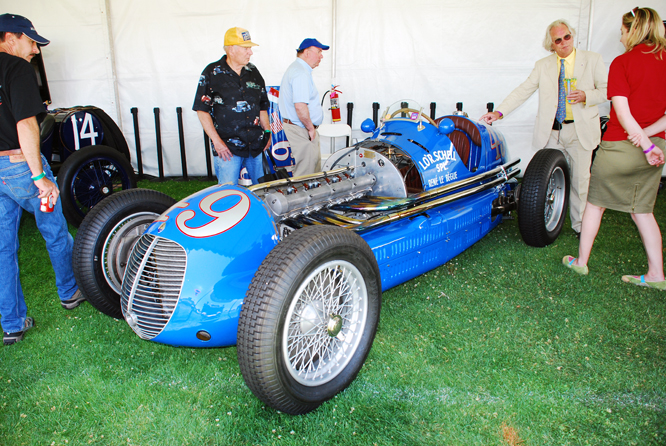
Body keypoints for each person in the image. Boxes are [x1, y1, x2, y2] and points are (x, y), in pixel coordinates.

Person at [563, 7, 666, 290]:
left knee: (595, 204)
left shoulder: (622, 63)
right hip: (656, 145)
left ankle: (581, 261)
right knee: (642, 210)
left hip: (623, 145)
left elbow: (622, 112)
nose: (621, 38)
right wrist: (648, 141)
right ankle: (657, 274)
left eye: (622, 32)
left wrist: (642, 144)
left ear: (634, 30)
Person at [0, 14, 84, 345]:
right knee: (55, 232)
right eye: (30, 41)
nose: (35, 50)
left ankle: (12, 323)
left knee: (3, 249)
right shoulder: (15, 67)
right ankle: (71, 292)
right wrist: (39, 177)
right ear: (9, 38)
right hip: (22, 168)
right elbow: (26, 124)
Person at [480, 20, 608, 236]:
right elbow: (523, 90)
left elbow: (607, 90)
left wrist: (587, 96)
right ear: (551, 45)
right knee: (545, 179)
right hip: (551, 132)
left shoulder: (592, 59)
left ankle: (580, 227)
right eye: (558, 40)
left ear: (572, 35)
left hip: (580, 130)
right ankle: (546, 218)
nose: (564, 42)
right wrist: (499, 112)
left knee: (580, 181)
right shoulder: (543, 65)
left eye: (567, 36)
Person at [193, 27, 270, 185]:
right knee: (227, 194)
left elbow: (262, 105)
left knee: (263, 191)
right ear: (231, 49)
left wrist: (267, 131)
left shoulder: (253, 71)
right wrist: (217, 142)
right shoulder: (211, 73)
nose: (250, 52)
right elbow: (202, 110)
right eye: (246, 48)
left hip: (255, 145)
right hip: (227, 149)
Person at [279, 38, 329, 176]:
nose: (321, 56)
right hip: (302, 129)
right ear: (307, 52)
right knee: (306, 175)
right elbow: (300, 106)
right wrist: (310, 128)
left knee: (311, 171)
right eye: (319, 51)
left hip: (302, 128)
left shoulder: (299, 69)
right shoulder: (300, 72)